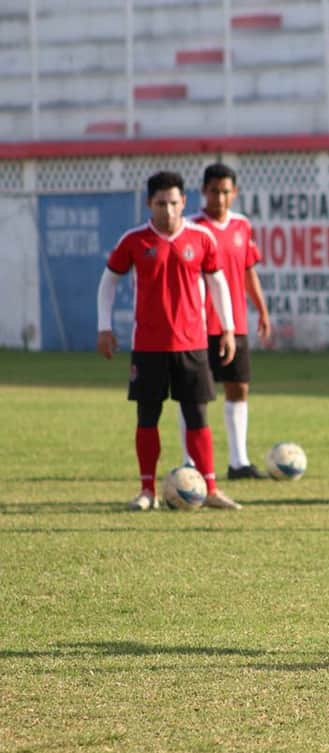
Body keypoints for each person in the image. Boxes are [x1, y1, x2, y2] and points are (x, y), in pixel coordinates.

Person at [97, 170, 242, 511]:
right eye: (160, 203)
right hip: (148, 345)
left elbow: (218, 283)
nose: (168, 210)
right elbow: (108, 282)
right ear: (149, 203)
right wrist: (104, 327)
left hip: (192, 344)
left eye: (174, 203)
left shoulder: (201, 238)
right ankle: (147, 491)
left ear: (184, 202)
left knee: (198, 417)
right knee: (148, 417)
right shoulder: (134, 240)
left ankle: (210, 489)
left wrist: (229, 328)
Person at [179, 163, 272, 479]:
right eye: (214, 191)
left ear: (235, 193)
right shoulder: (190, 227)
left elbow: (248, 270)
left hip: (234, 325)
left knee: (238, 388)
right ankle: (191, 463)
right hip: (197, 325)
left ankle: (239, 462)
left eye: (225, 192)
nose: (220, 198)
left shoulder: (242, 226)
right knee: (195, 394)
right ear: (203, 191)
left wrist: (261, 308)